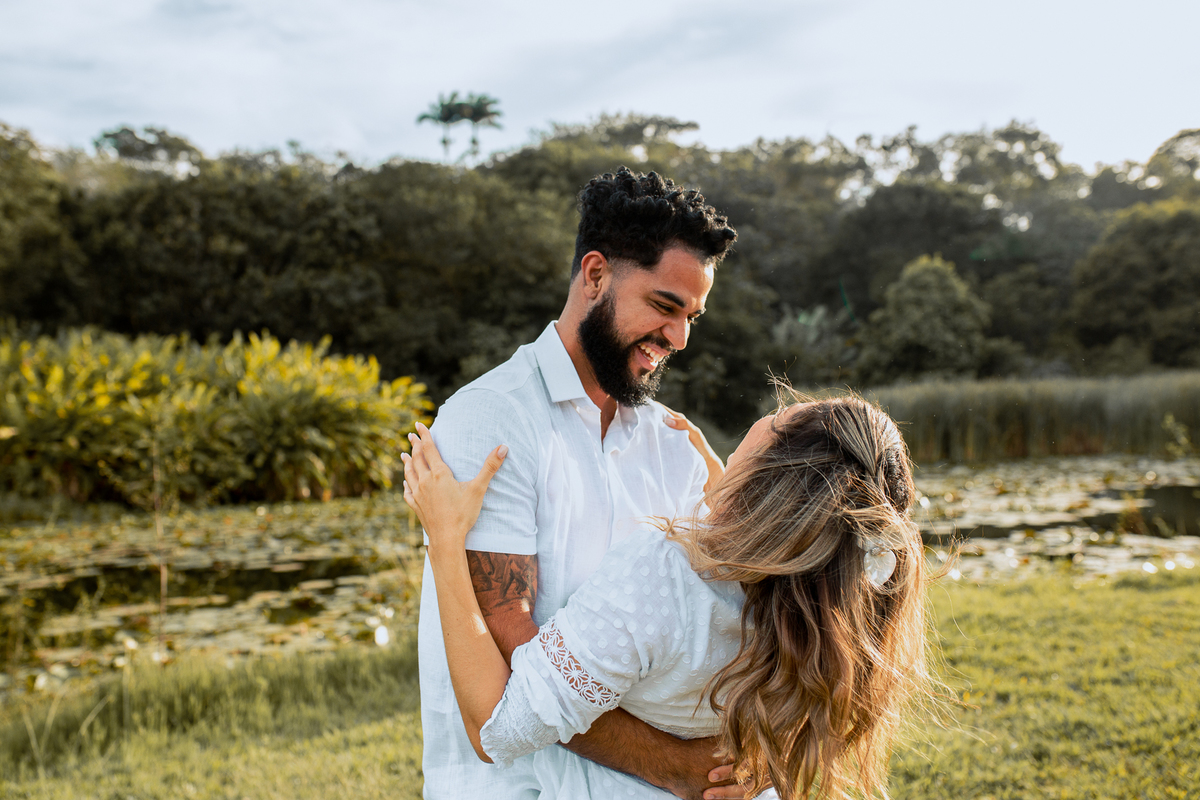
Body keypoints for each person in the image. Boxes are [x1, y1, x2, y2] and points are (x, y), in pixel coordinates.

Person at [404, 394, 933, 800]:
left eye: (774, 419)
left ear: (772, 470)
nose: (759, 422)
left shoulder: (662, 575)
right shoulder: (827, 606)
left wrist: (445, 539)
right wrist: (734, 501)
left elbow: (496, 727)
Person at [416, 167, 741, 799]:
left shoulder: (674, 443)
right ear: (595, 275)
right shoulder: (490, 421)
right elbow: (514, 664)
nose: (679, 338)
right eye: (664, 307)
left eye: (692, 317)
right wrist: (674, 764)